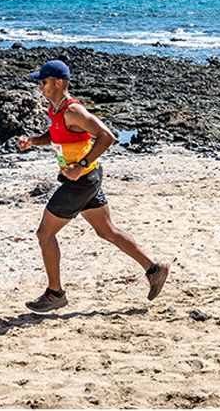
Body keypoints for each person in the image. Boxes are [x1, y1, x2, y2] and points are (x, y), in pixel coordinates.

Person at [17, 60, 169, 312]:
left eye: (43, 81)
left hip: (82, 180)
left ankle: (55, 294)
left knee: (45, 234)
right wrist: (33, 141)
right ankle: (155, 270)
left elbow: (108, 136)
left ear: (58, 83)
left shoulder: (72, 111)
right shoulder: (54, 109)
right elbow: (55, 136)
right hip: (83, 178)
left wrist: (82, 164)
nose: (40, 86)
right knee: (106, 230)